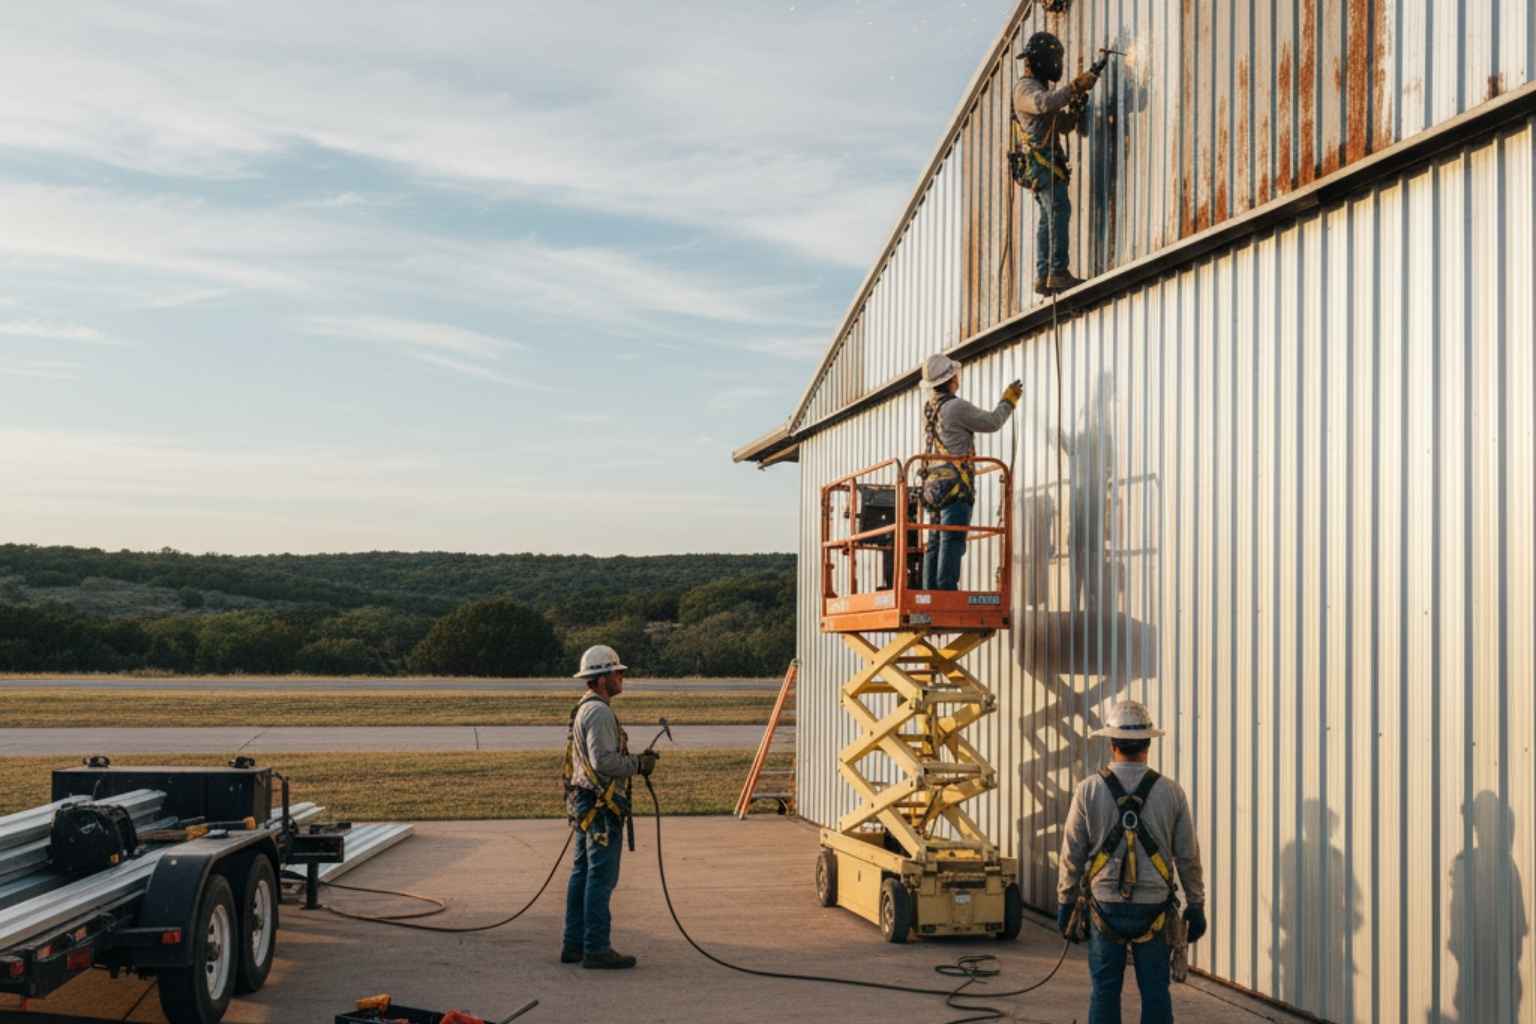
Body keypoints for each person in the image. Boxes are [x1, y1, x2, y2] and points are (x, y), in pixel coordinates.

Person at [1056, 700, 1205, 1024]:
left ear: (1111, 744)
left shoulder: (1088, 790)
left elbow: (1073, 852)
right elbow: (1187, 856)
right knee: (1155, 993)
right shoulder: (1171, 792)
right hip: (1153, 907)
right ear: (1148, 744)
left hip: (1104, 907)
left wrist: (1066, 900)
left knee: (1105, 991)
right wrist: (1196, 903)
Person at [560, 644, 659, 969]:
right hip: (600, 808)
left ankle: (574, 944)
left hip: (585, 803)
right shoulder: (599, 712)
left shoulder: (584, 708)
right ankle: (596, 948)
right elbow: (603, 761)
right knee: (600, 879)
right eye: (617, 672)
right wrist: (638, 765)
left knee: (582, 874)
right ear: (602, 678)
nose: (621, 677)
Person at [919, 353, 1020, 591]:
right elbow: (992, 422)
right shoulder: (956, 407)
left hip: (934, 485)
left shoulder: (930, 408)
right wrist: (1008, 401)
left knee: (934, 541)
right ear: (950, 378)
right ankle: (946, 593)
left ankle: (929, 592)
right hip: (955, 485)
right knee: (952, 539)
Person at [1012, 31, 1102, 294]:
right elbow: (1043, 104)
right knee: (1058, 211)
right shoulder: (1026, 89)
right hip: (1042, 162)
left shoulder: (1040, 89)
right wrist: (1075, 87)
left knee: (1048, 217)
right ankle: (1057, 271)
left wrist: (1074, 108)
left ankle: (1045, 273)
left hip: (1048, 163)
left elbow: (1060, 124)